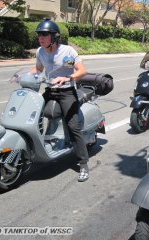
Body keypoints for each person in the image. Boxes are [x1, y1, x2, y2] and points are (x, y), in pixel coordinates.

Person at [34, 19, 90, 182]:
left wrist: (67, 78)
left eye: (44, 35)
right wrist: (23, 76)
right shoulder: (41, 52)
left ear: (54, 37)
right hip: (50, 90)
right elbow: (38, 70)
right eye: (39, 35)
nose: (41, 38)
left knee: (73, 126)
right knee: (33, 112)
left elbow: (81, 71)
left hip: (66, 92)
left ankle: (83, 164)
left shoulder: (67, 52)